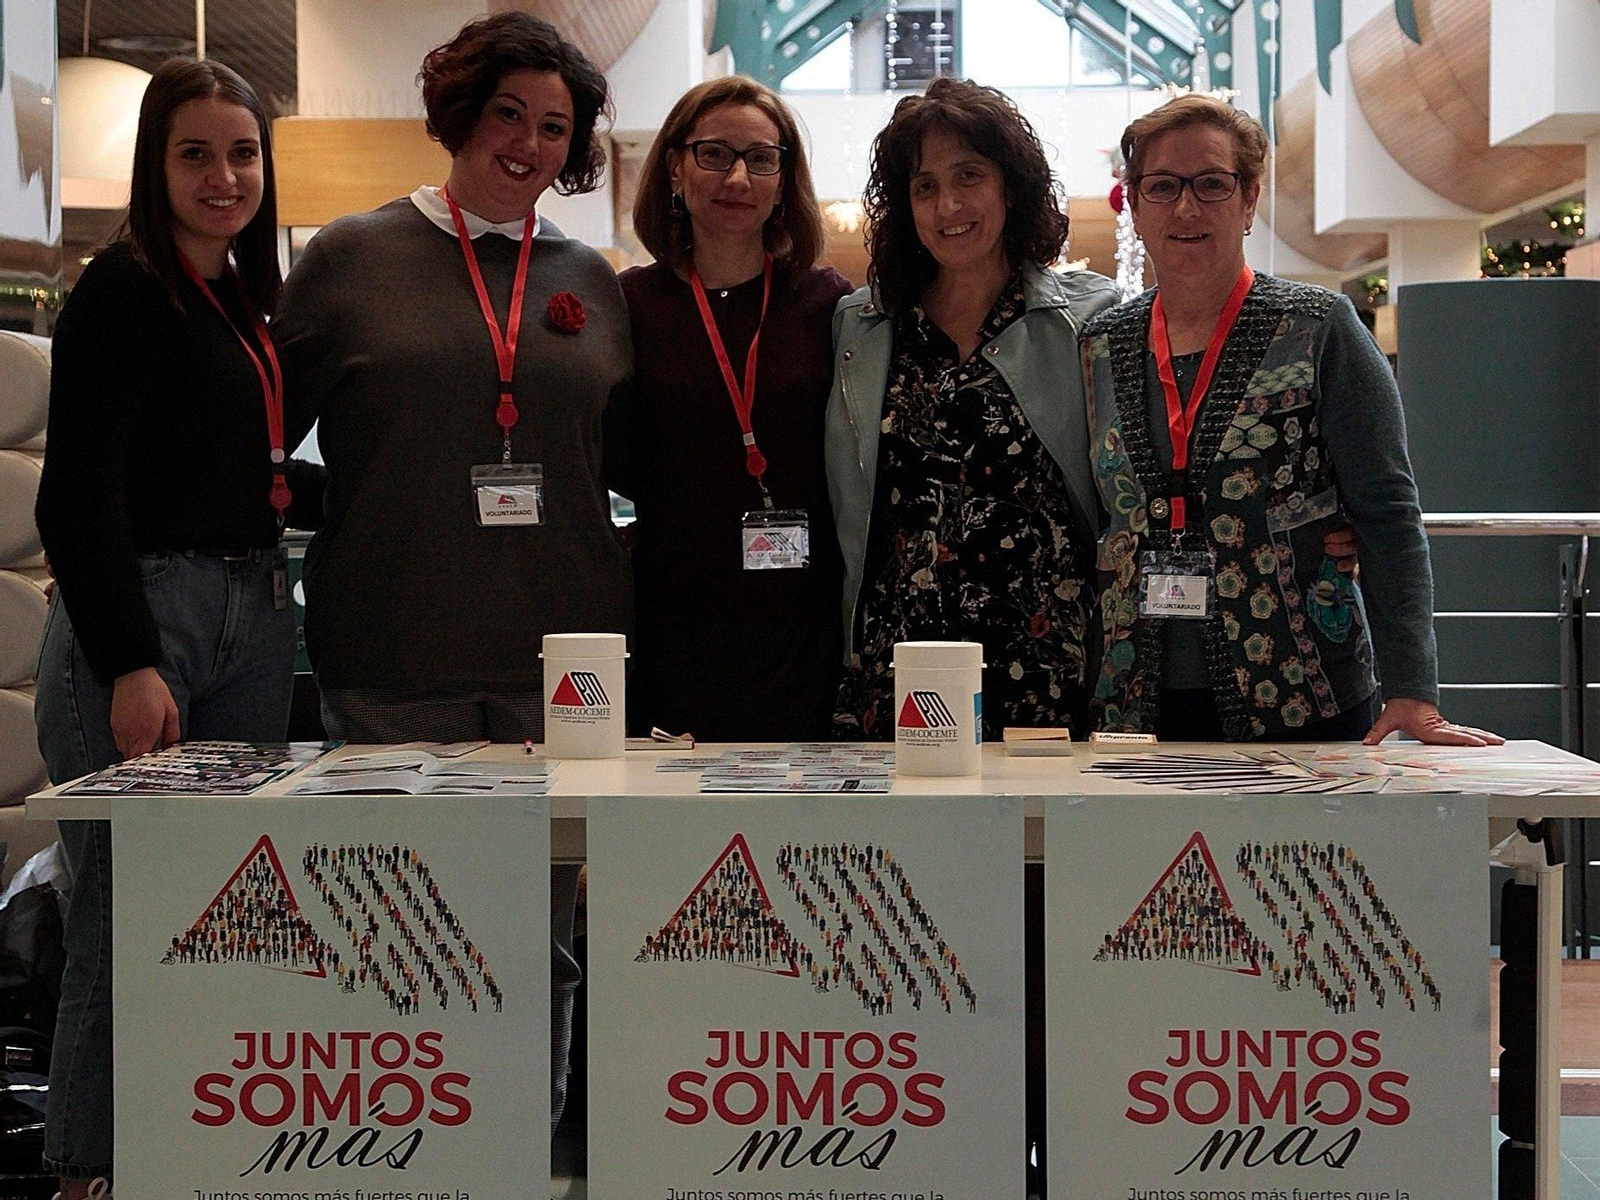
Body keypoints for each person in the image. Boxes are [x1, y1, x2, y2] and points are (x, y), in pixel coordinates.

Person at [271, 12, 629, 1128]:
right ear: (461, 114)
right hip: (392, 648)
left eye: (553, 128)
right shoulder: (347, 257)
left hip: (559, 664)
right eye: (507, 113)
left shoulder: (592, 278)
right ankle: (413, 1147)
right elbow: (261, 442)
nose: (524, 143)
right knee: (401, 928)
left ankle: (525, 1138)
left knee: (542, 935)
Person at [32, 58, 321, 1197]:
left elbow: (243, 478)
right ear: (157, 165)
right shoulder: (123, 290)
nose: (224, 175)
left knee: (216, 914)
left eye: (243, 152)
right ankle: (89, 1169)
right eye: (195, 153)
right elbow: (76, 496)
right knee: (124, 914)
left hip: (250, 614)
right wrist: (129, 661)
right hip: (148, 625)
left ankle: (192, 1157)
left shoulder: (244, 302)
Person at [1083, 94, 1501, 746]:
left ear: (1249, 201)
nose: (1187, 207)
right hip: (1130, 703)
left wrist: (1413, 689)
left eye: (1212, 185)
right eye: (1162, 187)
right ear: (1134, 205)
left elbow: (1388, 512)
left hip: (1306, 697)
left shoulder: (1319, 328)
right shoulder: (1100, 345)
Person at [826, 77, 1120, 741]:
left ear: (1010, 188)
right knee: (899, 848)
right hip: (896, 674)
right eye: (925, 185)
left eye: (969, 176)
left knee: (1038, 845)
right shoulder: (861, 328)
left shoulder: (1088, 320)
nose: (947, 204)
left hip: (1043, 668)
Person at [611, 76, 850, 741]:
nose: (738, 176)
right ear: (675, 169)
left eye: (761, 157)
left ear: (783, 179)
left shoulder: (826, 302)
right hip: (674, 620)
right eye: (715, 153)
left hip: (804, 625)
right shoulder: (630, 305)